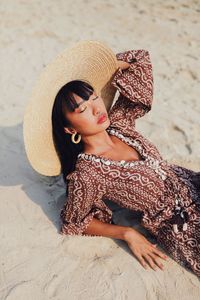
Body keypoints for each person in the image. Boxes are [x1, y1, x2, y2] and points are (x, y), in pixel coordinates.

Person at [23, 41, 200, 277]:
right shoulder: (88, 172)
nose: (97, 109)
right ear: (69, 129)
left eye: (94, 97)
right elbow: (74, 222)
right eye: (82, 109)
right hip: (182, 225)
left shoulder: (119, 124)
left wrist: (103, 68)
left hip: (191, 183)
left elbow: (140, 60)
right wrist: (126, 233)